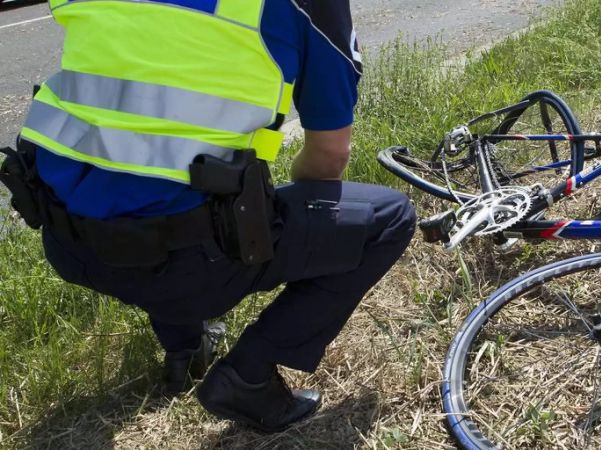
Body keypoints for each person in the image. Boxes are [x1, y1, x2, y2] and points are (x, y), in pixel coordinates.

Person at [4, 0, 416, 433]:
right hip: (189, 268)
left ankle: (186, 350)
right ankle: (248, 376)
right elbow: (328, 158)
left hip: (67, 242)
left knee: (167, 190)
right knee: (388, 218)